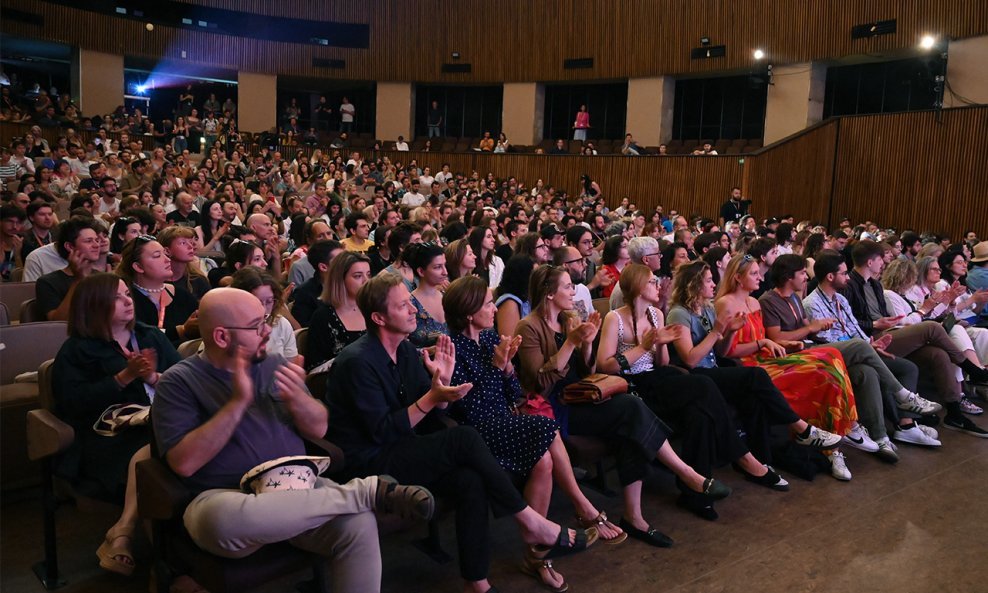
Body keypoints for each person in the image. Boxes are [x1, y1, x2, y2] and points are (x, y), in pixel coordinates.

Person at [152, 288, 434, 593]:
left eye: (266, 320)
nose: (268, 331)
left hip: (298, 485)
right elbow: (184, 462)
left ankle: (363, 496)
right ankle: (366, 492)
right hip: (226, 499)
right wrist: (237, 403)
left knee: (358, 523)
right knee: (219, 521)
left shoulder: (273, 364)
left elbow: (320, 428)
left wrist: (301, 402)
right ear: (221, 337)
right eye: (256, 325)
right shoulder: (179, 382)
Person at [326, 274, 594, 593]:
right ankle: (532, 523)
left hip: (406, 448)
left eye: (410, 303)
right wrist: (434, 397)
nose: (414, 310)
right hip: (372, 464)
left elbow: (432, 415)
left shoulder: (408, 352)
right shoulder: (357, 362)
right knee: (465, 437)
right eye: (403, 305)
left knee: (472, 480)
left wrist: (442, 386)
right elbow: (382, 431)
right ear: (379, 318)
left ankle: (476, 581)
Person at [516, 265, 732, 539]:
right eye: (567, 286)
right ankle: (686, 474)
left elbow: (588, 370)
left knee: (631, 417)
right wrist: (571, 343)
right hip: (558, 408)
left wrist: (585, 346)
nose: (574, 291)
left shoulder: (568, 318)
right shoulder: (530, 326)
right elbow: (539, 385)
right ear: (549, 293)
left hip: (585, 394)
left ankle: (635, 516)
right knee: (631, 409)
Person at [444, 276, 626, 591]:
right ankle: (580, 505)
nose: (493, 308)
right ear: (469, 313)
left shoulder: (489, 339)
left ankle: (536, 556)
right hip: (476, 434)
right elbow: (467, 409)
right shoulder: (453, 348)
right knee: (545, 425)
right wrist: (495, 368)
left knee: (543, 462)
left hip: (507, 423)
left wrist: (506, 368)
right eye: (488, 304)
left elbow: (515, 393)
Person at [598, 264, 788, 516]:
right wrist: (644, 347)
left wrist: (661, 345)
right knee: (703, 384)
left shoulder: (656, 314)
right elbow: (605, 365)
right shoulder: (615, 318)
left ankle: (696, 496)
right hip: (631, 387)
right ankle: (742, 456)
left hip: (657, 378)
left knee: (698, 414)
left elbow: (662, 364)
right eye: (652, 282)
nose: (658, 285)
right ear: (638, 287)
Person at [53, 273, 180, 576]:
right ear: (95, 306)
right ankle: (173, 573)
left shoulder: (150, 335)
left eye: (128, 294)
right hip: (107, 436)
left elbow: (183, 382)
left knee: (172, 459)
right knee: (156, 473)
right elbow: (71, 403)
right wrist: (123, 378)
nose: (128, 301)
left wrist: (151, 378)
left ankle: (123, 533)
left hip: (158, 423)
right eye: (118, 297)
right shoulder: (77, 350)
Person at [761, 254, 940, 460]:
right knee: (860, 345)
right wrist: (812, 327)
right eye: (801, 273)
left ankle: (880, 437)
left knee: (867, 371)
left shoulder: (796, 297)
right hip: (797, 356)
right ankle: (902, 396)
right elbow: (776, 337)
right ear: (787, 276)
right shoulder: (770, 300)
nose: (805, 277)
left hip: (811, 347)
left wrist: (868, 344)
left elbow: (807, 327)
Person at [667, 260, 844, 460]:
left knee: (756, 398)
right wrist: (717, 332)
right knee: (758, 375)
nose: (713, 284)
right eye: (708, 280)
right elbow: (691, 360)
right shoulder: (678, 313)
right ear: (694, 284)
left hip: (716, 368)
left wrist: (731, 332)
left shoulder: (706, 308)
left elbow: (721, 351)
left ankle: (765, 460)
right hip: (698, 376)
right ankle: (802, 429)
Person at [715, 254, 860, 480]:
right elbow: (727, 352)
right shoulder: (724, 304)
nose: (760, 276)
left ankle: (844, 428)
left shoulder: (753, 302)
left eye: (758, 272)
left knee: (831, 354)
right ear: (737, 278)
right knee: (822, 373)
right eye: (753, 273)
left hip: (766, 356)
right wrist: (763, 343)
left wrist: (781, 342)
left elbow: (764, 338)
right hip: (749, 366)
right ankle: (834, 435)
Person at [836, 242, 988, 437]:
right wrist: (875, 324)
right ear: (870, 261)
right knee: (933, 327)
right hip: (871, 338)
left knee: (938, 354)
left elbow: (892, 319)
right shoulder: (851, 285)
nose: (883, 263)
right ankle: (974, 370)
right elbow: (850, 322)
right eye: (881, 259)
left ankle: (954, 413)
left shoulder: (874, 285)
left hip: (889, 331)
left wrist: (938, 304)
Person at [116, 235, 199, 346]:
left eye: (165, 253)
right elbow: (137, 339)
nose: (167, 259)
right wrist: (181, 331)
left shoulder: (183, 295)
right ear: (138, 267)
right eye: (157, 256)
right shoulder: (128, 301)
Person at [306, 251, 371, 372]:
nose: (366, 281)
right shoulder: (323, 317)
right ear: (340, 279)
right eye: (358, 276)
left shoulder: (374, 309)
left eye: (368, 274)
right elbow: (314, 369)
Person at [230, 267, 301, 366]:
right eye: (257, 302)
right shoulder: (228, 329)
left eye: (269, 301)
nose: (263, 310)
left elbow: (290, 367)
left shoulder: (281, 324)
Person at [36, 217, 103, 320]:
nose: (96, 245)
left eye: (97, 240)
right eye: (89, 241)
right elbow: (57, 321)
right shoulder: (48, 282)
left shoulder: (101, 277)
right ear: (70, 246)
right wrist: (78, 281)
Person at [494, 254, 534, 337]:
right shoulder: (509, 303)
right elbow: (509, 341)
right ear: (524, 276)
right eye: (533, 274)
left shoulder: (526, 298)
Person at [468, 225, 504, 289]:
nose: (493, 240)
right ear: (479, 239)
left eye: (492, 236)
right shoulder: (470, 260)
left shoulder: (497, 261)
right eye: (488, 237)